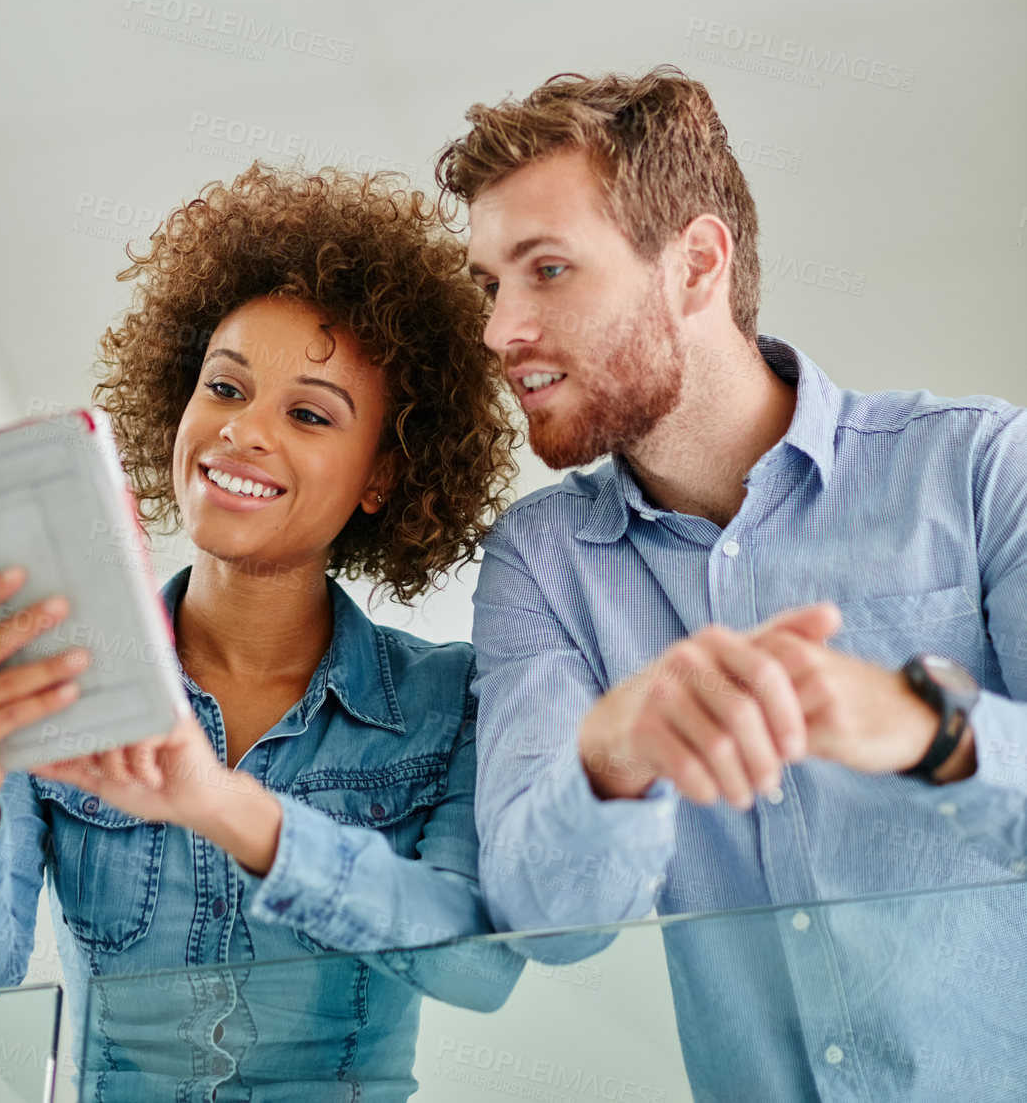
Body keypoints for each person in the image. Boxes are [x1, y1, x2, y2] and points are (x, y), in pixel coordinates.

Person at [435, 68, 1027, 1103]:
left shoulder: (977, 470)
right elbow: (544, 920)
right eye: (491, 285)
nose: (498, 329)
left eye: (547, 269)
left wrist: (923, 726)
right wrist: (609, 757)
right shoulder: (540, 565)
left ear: (695, 264)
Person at [0, 164, 522, 1099]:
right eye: (224, 389)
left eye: (308, 414)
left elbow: (477, 965)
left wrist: (222, 806)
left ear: (382, 477)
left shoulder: (448, 703)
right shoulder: (65, 672)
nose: (243, 432)